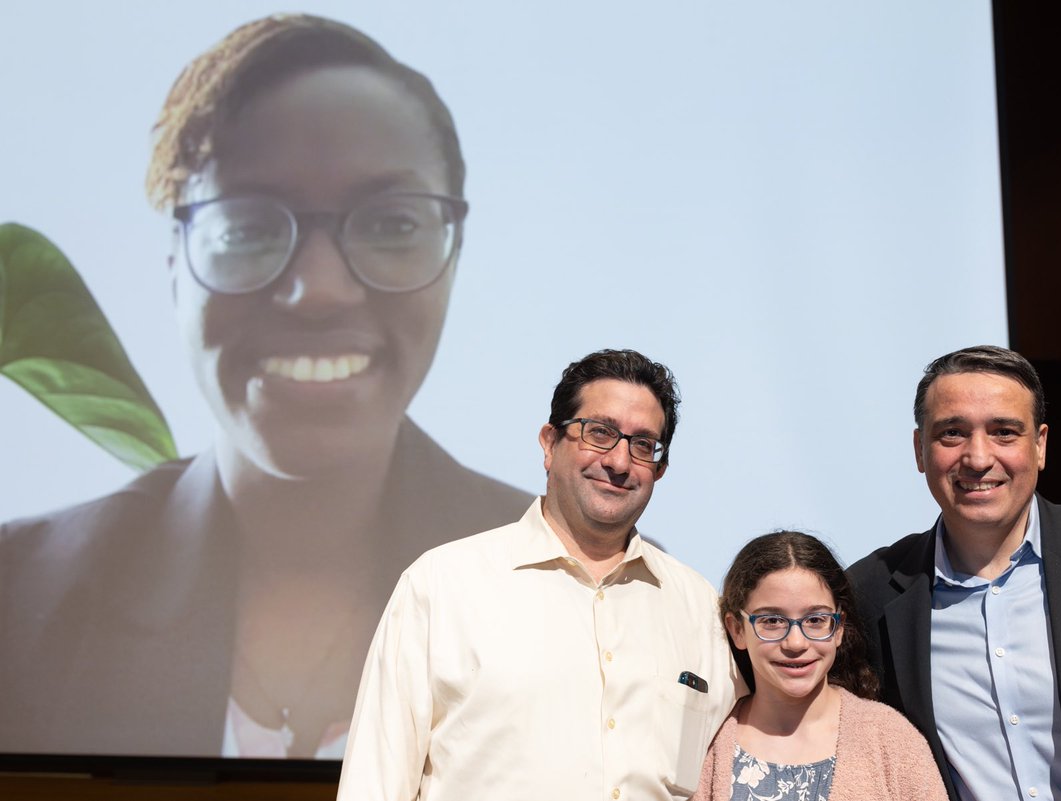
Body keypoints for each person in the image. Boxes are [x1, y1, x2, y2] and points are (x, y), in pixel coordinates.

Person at [0, 14, 530, 758]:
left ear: (455, 254)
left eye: (392, 223)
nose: (318, 289)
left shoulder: (594, 603)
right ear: (174, 268)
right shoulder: (18, 602)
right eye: (248, 227)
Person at [336, 348, 741, 801]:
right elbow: (374, 782)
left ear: (660, 468)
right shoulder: (441, 585)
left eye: (643, 445)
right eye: (600, 433)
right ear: (550, 443)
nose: (620, 462)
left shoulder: (696, 604)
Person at [847, 345, 1061, 801]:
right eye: (952, 433)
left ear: (1040, 445)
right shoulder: (870, 594)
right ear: (920, 449)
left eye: (1004, 432)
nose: (977, 458)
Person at [692, 531, 947, 801]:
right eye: (772, 621)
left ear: (838, 628)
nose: (795, 642)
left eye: (815, 620)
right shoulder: (707, 742)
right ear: (737, 630)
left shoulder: (892, 741)